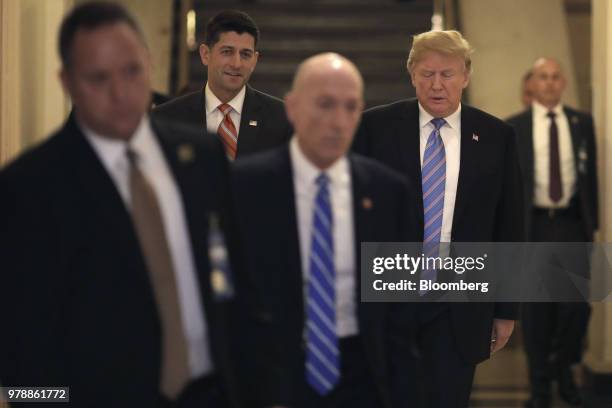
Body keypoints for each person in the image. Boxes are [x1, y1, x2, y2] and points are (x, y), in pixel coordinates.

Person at [0, 3, 242, 407]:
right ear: (68, 82)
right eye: (99, 78)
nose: (120, 93)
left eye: (131, 71)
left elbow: (235, 281)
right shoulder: (28, 187)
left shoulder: (199, 155)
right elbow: (18, 347)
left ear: (148, 63)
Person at [232, 52, 418, 408]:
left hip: (361, 372)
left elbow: (400, 314)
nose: (339, 121)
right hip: (276, 372)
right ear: (292, 108)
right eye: (325, 105)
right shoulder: (245, 187)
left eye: (351, 107)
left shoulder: (388, 193)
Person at [353, 30, 524, 408]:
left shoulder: (497, 136)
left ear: (465, 76)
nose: (436, 84)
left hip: (459, 303)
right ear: (411, 74)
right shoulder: (375, 128)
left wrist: (506, 309)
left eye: (447, 74)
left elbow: (510, 226)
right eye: (427, 73)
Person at [507, 58, 597, 408]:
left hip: (573, 224)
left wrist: (593, 227)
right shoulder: (513, 127)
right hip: (534, 225)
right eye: (542, 77)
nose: (549, 83)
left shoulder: (581, 123)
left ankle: (564, 371)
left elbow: (591, 179)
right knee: (536, 312)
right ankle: (540, 387)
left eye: (555, 77)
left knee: (576, 310)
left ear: (563, 84)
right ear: (531, 84)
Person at [152, 10, 292, 160]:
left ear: (255, 60)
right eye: (227, 52)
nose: (236, 64)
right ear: (205, 54)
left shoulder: (282, 119)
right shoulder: (166, 119)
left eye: (245, 54)